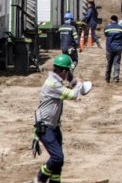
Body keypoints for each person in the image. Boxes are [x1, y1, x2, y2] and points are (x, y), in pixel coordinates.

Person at [33, 54, 83, 183]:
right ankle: (40, 178)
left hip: (53, 126)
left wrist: (73, 82)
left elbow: (66, 89)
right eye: (68, 71)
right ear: (64, 71)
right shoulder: (53, 84)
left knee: (58, 164)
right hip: (45, 127)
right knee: (57, 158)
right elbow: (72, 95)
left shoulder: (56, 81)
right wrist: (80, 85)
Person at [104, 15, 122, 83]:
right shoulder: (121, 28)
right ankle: (116, 78)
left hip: (109, 48)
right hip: (118, 48)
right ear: (117, 20)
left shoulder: (107, 28)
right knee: (116, 63)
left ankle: (107, 78)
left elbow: (105, 35)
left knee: (109, 63)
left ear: (111, 20)